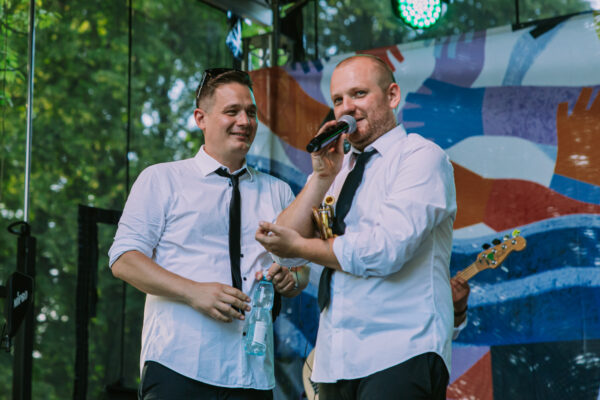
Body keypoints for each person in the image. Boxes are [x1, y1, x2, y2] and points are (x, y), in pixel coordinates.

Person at [255, 54, 457, 400]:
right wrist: (321, 177)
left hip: (402, 348)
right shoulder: (336, 167)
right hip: (335, 358)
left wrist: (300, 247)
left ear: (392, 96)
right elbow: (284, 252)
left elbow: (385, 251)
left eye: (359, 94)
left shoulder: (421, 157)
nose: (347, 108)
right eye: (338, 100)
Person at [108, 68, 309, 400]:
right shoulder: (162, 179)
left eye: (251, 112)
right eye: (232, 111)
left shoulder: (279, 191)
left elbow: (301, 270)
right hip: (178, 363)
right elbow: (123, 259)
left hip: (252, 372)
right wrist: (193, 292)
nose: (244, 121)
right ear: (200, 118)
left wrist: (292, 279)